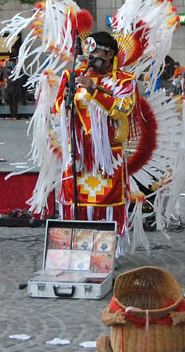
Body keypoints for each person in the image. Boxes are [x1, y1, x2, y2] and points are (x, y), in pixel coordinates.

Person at [54, 31, 137, 250]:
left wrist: (94, 90)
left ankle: (107, 252)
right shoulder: (72, 75)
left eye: (96, 50)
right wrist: (68, 97)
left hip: (108, 156)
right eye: (88, 50)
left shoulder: (125, 80)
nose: (90, 55)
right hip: (78, 153)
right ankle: (76, 247)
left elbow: (122, 109)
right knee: (74, 200)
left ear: (110, 54)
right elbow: (57, 106)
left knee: (107, 203)